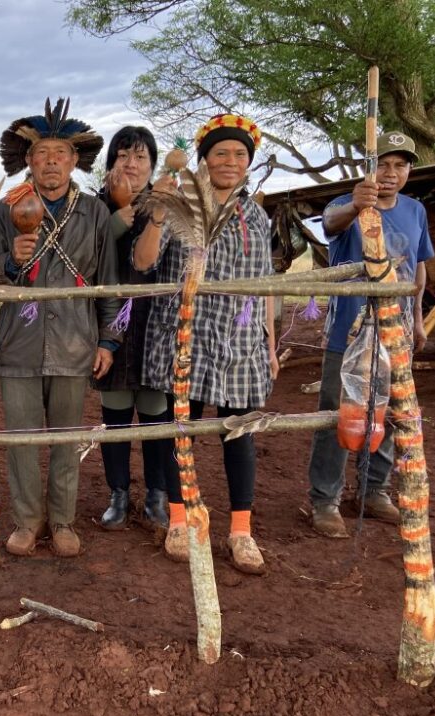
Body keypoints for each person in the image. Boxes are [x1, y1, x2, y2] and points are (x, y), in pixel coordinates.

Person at [133, 113, 279, 575]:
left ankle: (241, 531)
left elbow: (265, 284)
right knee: (184, 429)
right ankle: (180, 520)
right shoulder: (179, 206)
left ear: (248, 161)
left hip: (239, 342)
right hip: (186, 335)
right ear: (204, 159)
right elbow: (144, 262)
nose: (230, 161)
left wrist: (270, 345)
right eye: (221, 153)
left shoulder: (256, 215)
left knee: (239, 435)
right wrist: (158, 208)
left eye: (239, 154)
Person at [0, 98, 122, 558]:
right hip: (19, 343)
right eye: (42, 154)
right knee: (21, 438)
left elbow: (108, 282)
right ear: (29, 160)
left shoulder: (95, 214)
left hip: (75, 344)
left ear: (75, 161)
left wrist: (107, 341)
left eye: (60, 154)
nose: (51, 162)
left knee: (64, 437)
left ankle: (62, 521)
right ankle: (26, 521)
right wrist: (9, 261)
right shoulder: (7, 210)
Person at [305, 131, 432, 538]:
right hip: (351, 329)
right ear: (369, 167)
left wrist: (418, 319)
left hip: (397, 330)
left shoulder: (415, 211)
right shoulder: (347, 204)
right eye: (384, 164)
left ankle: (374, 490)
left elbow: (419, 264)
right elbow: (329, 224)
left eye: (400, 165)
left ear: (410, 170)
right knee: (339, 412)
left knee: (392, 413)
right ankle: (325, 500)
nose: (391, 173)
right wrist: (358, 206)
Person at [91, 126, 170, 536]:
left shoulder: (169, 204)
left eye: (141, 158)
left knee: (157, 411)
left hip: (158, 321)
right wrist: (116, 223)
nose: (132, 165)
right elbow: (84, 255)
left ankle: (157, 493)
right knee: (117, 413)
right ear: (110, 165)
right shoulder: (92, 209)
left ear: (152, 166)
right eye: (123, 156)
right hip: (110, 322)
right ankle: (118, 494)